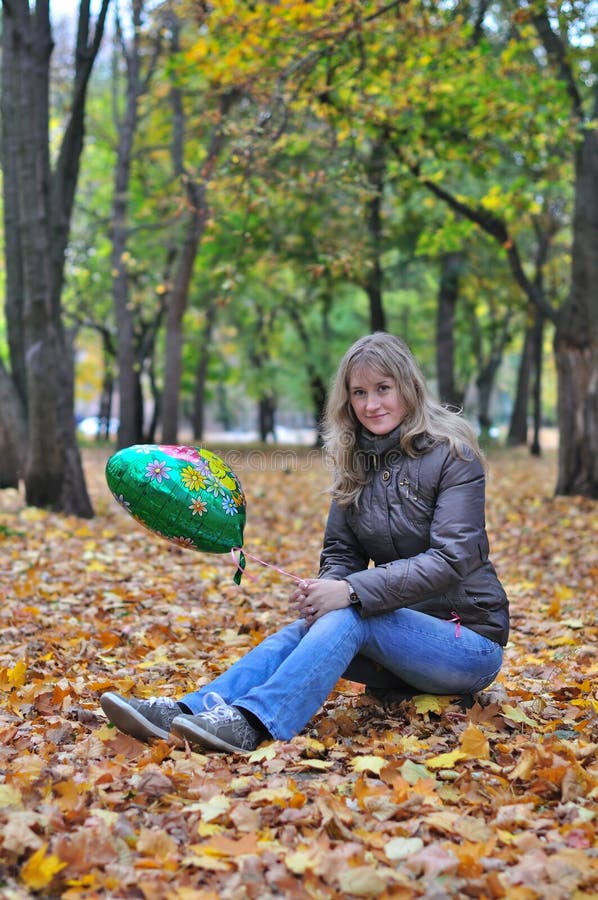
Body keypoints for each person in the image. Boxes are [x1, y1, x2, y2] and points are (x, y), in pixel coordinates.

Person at [100, 332, 509, 754]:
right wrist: (325, 590)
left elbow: (451, 558)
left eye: (383, 389)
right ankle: (185, 711)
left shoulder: (453, 457)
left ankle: (253, 722)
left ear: (408, 387)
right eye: (360, 393)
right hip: (396, 651)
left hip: (468, 645)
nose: (372, 405)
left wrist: (350, 591)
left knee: (354, 612)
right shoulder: (354, 463)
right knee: (309, 626)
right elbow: (342, 553)